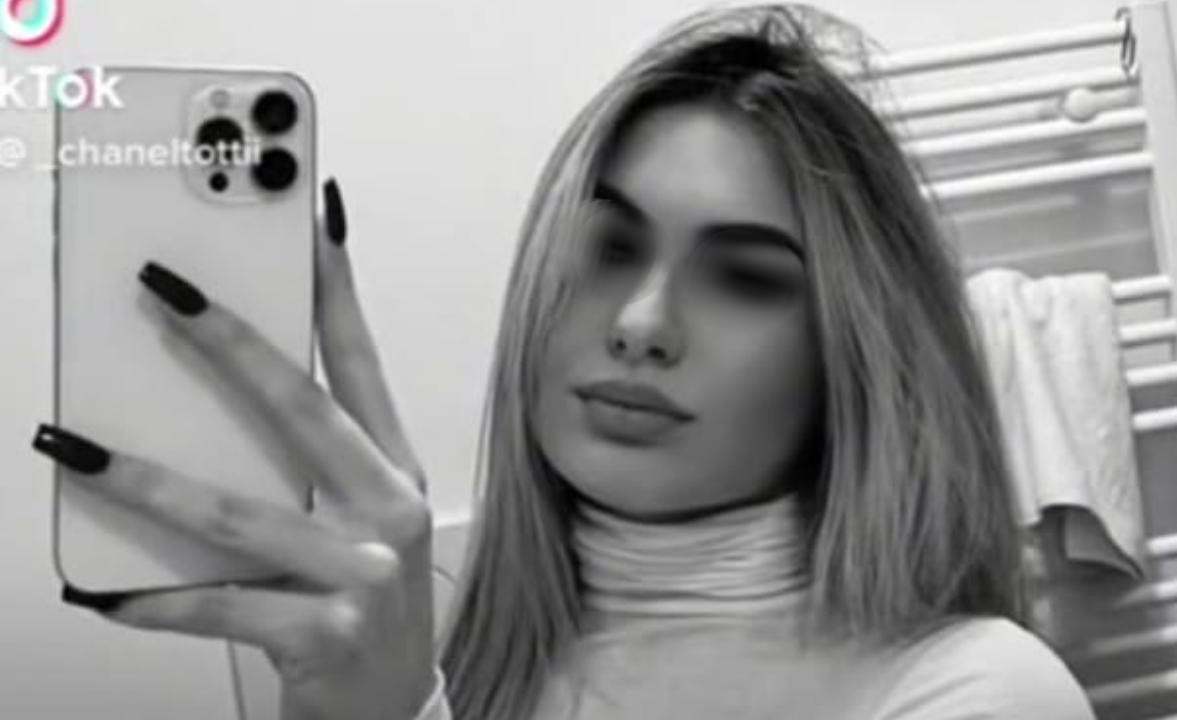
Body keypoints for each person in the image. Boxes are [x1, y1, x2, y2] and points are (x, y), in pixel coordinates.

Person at [34, 4, 1097, 719]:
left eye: (743, 277)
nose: (640, 322)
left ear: (854, 359)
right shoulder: (428, 648)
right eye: (607, 246)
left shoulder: (979, 693)